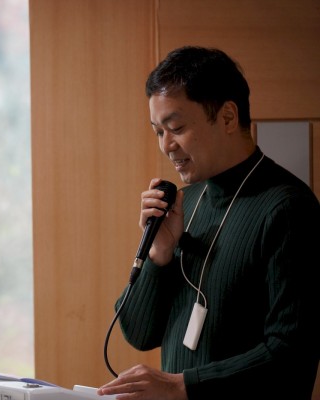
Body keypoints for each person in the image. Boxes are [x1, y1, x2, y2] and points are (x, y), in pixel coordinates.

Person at [97, 46, 320, 399]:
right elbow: (138, 334)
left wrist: (182, 386)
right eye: (158, 132)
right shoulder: (183, 202)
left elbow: (291, 355)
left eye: (176, 128)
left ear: (228, 117)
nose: (167, 146)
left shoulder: (288, 208)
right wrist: (158, 256)